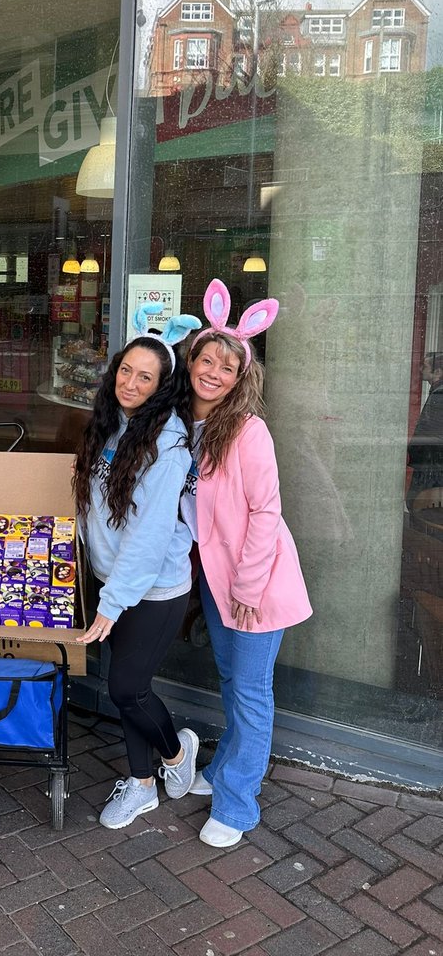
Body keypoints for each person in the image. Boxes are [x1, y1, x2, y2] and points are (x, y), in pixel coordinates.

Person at [182, 279, 312, 847]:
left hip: (255, 582)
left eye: (225, 368)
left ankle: (237, 805)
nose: (212, 371)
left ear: (241, 379)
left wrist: (248, 585)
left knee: (252, 691)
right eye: (205, 359)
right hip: (217, 581)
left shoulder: (248, 431)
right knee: (233, 680)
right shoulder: (184, 424)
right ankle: (222, 770)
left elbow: (265, 512)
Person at [73, 306, 202, 829]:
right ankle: (143, 785)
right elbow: (94, 503)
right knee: (130, 688)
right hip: (115, 579)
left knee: (126, 688)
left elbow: (149, 538)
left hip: (155, 587)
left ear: (162, 386)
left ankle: (176, 754)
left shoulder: (167, 444)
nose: (130, 382)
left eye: (145, 377)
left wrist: (111, 601)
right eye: (125, 370)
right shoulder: (110, 423)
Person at [407, 350, 443, 516]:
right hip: (431, 461)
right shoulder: (437, 392)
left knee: (421, 506)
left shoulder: (439, 394)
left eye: (425, 366)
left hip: (431, 462)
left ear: (438, 372)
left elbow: (430, 431)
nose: (421, 369)